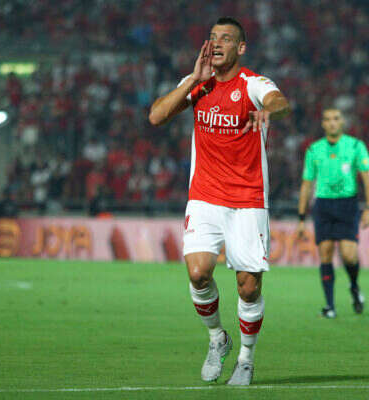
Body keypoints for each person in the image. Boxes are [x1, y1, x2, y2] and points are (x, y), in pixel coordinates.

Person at [148, 17, 290, 385]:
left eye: (226, 38)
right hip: (205, 196)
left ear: (241, 48)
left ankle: (246, 359)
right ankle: (217, 338)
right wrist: (193, 80)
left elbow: (280, 102)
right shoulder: (198, 83)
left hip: (247, 199)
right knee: (198, 273)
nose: (217, 43)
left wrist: (267, 111)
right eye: (213, 38)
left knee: (248, 287)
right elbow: (156, 116)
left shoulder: (253, 84)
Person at [296, 109, 369, 319]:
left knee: (349, 255)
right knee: (325, 253)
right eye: (328, 119)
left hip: (347, 205)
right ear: (323, 124)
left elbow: (368, 179)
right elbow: (306, 184)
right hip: (323, 205)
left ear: (343, 122)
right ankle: (330, 306)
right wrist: (301, 218)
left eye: (336, 119)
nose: (332, 123)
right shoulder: (314, 150)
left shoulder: (355, 146)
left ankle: (354, 286)